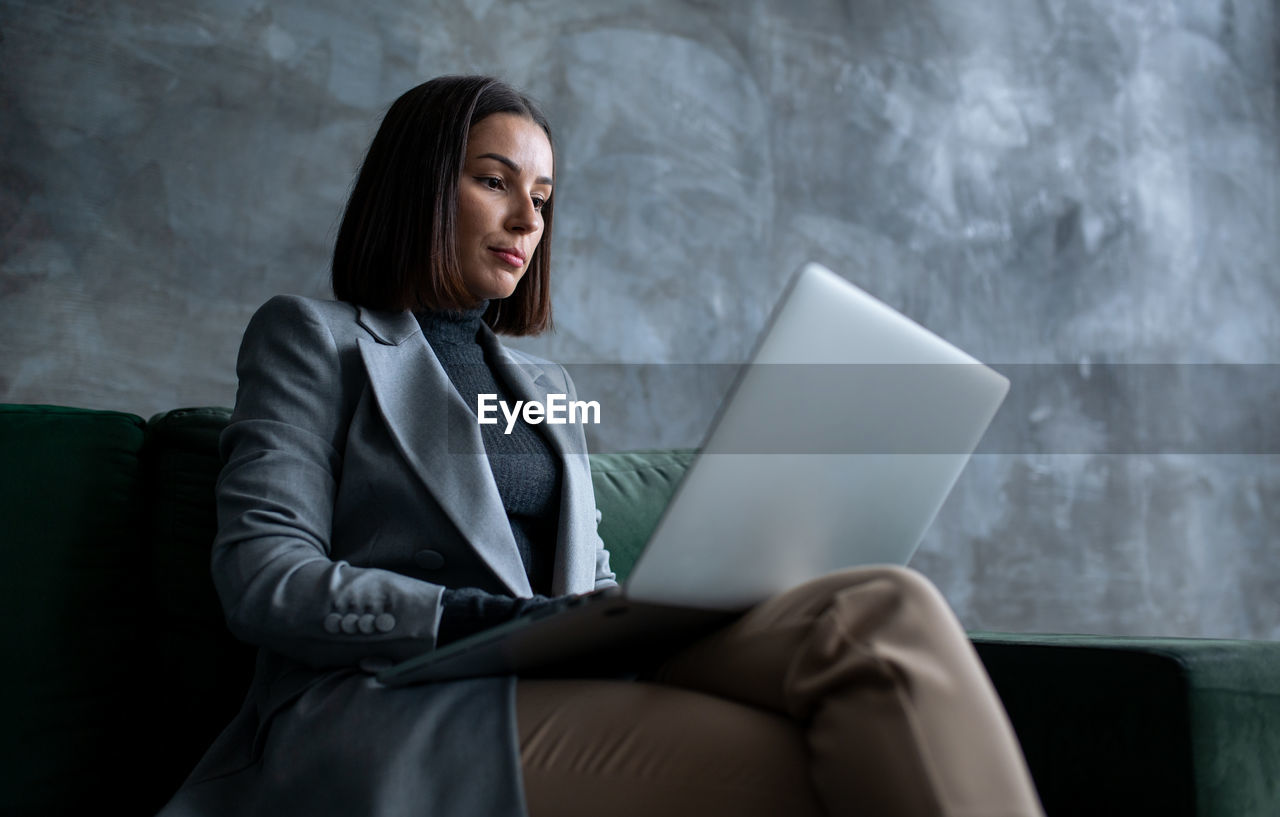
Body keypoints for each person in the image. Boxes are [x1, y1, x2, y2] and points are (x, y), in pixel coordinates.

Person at [157, 75, 1045, 817]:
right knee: (805, 763)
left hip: (562, 658)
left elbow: (582, 571)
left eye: (541, 199)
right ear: (422, 187)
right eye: (495, 182)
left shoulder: (545, 389)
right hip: (400, 700)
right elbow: (264, 579)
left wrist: (641, 605)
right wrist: (471, 618)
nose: (526, 220)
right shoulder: (313, 339)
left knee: (881, 606)